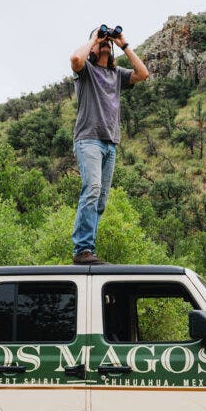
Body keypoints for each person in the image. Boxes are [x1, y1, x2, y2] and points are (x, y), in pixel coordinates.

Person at [68, 25, 150, 265]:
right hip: (88, 139)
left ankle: (88, 250)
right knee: (92, 190)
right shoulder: (86, 71)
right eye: (101, 40)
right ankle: (82, 249)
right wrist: (94, 37)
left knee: (101, 200)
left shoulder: (117, 75)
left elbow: (143, 74)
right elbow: (75, 58)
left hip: (110, 143)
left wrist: (123, 43)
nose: (105, 42)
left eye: (107, 41)